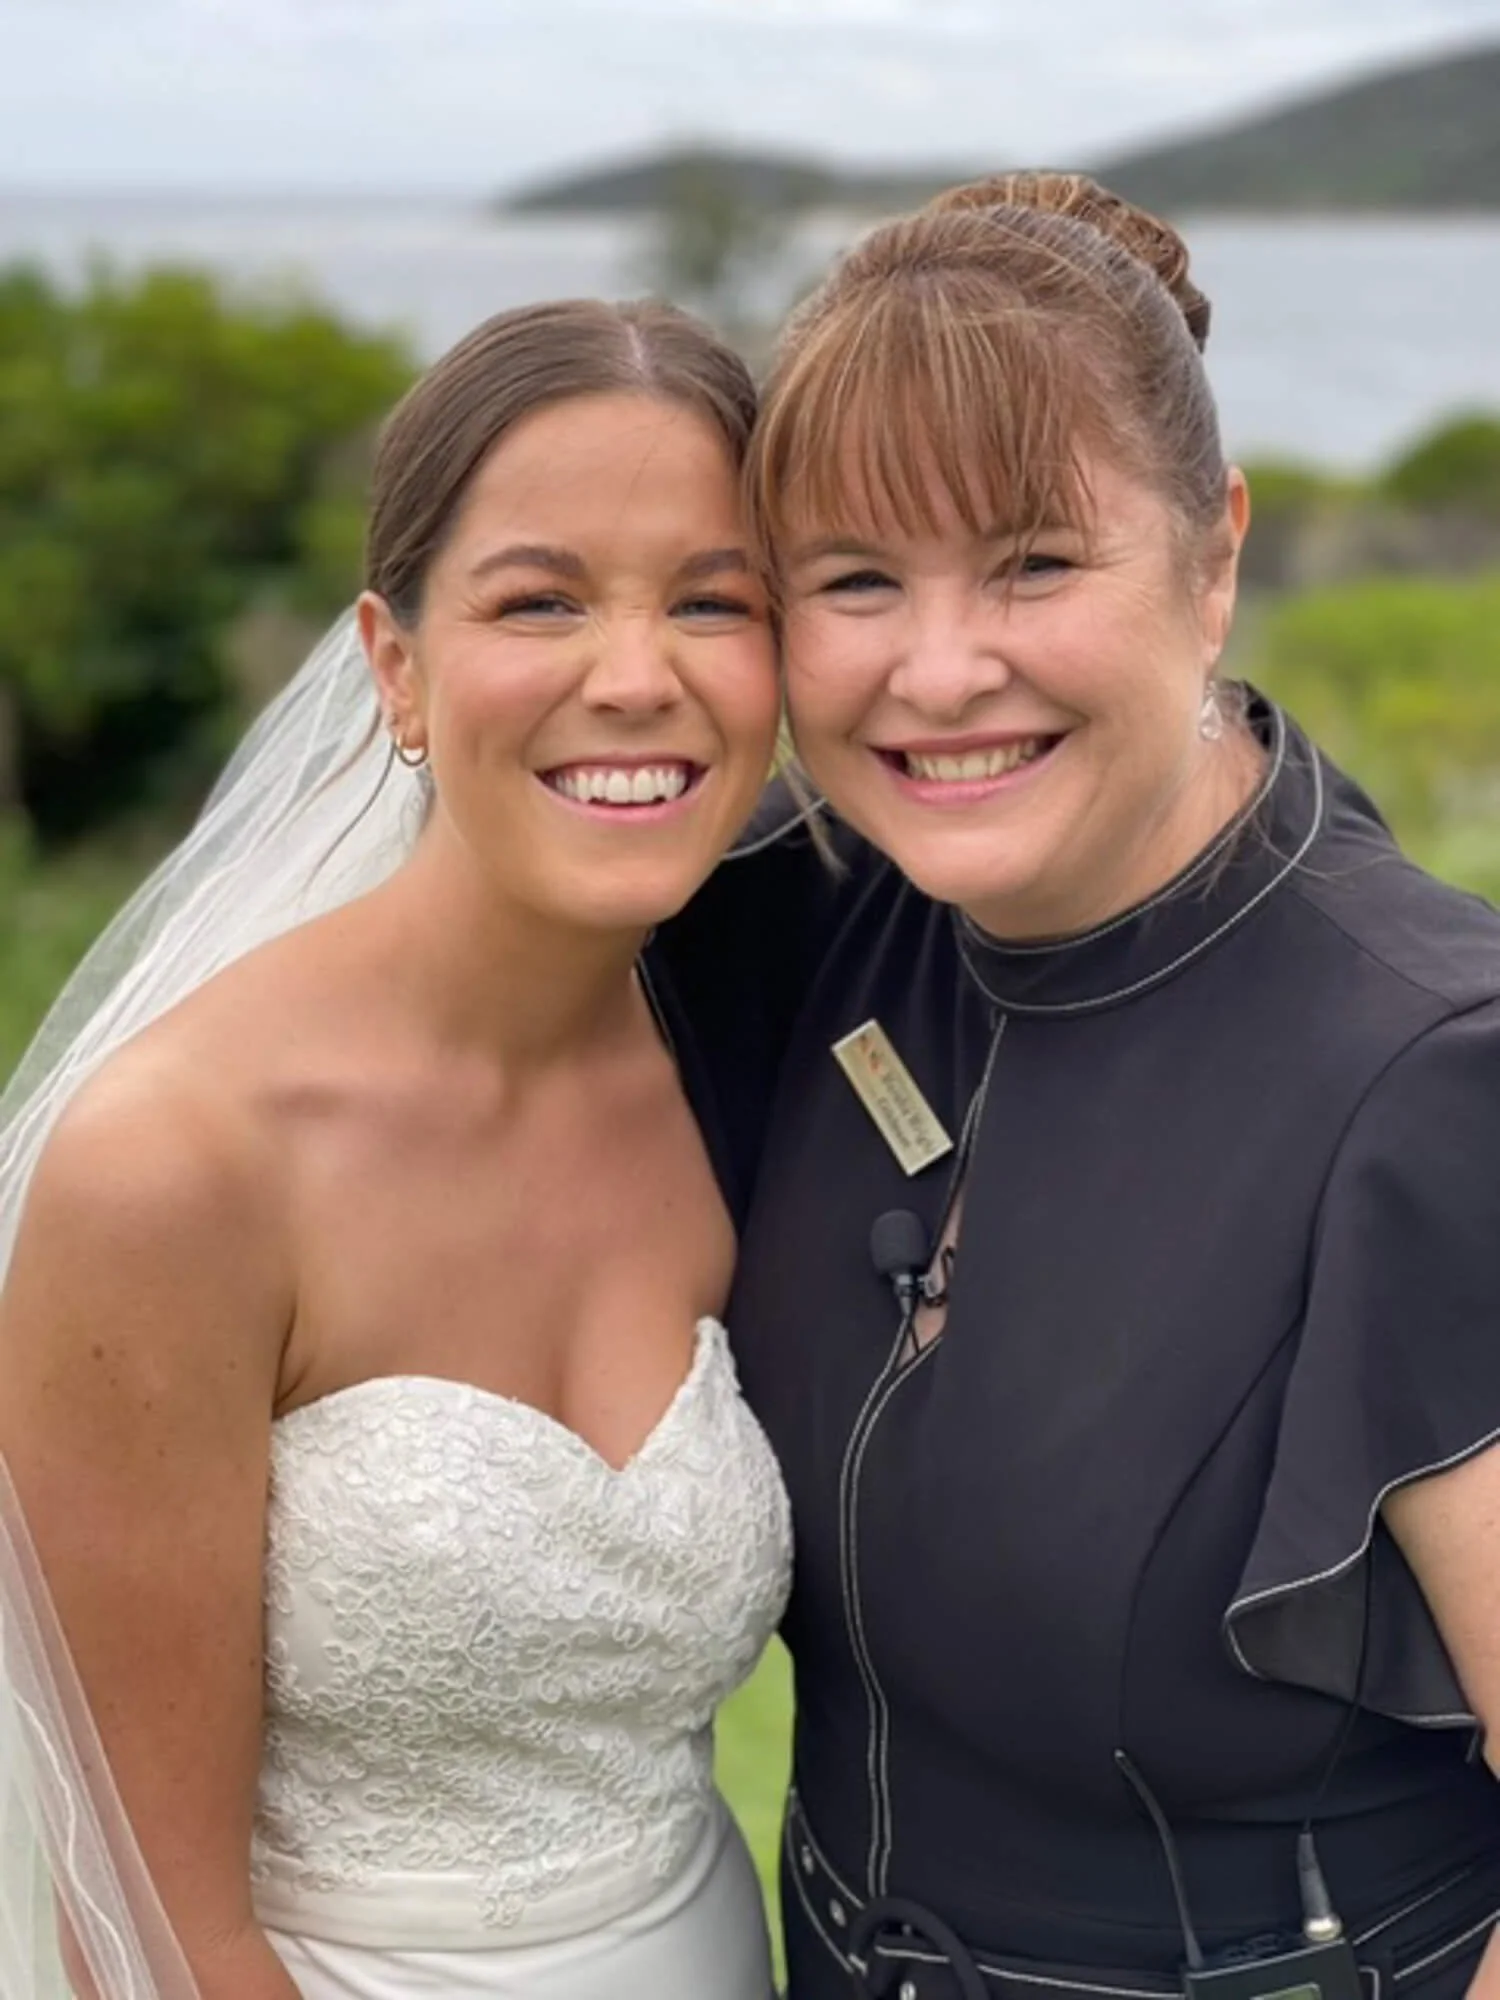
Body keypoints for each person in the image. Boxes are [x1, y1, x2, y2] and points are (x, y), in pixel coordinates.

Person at [647, 173, 1500, 1999]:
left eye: (1035, 562)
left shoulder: (1437, 1080)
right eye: (857, 580)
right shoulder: (791, 928)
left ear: (1215, 557)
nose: (941, 670)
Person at [0, 297, 791, 2000]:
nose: (637, 675)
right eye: (542, 599)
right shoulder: (178, 1165)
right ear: (395, 664)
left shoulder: (741, 1064)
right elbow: (146, 1918)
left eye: (715, 601)